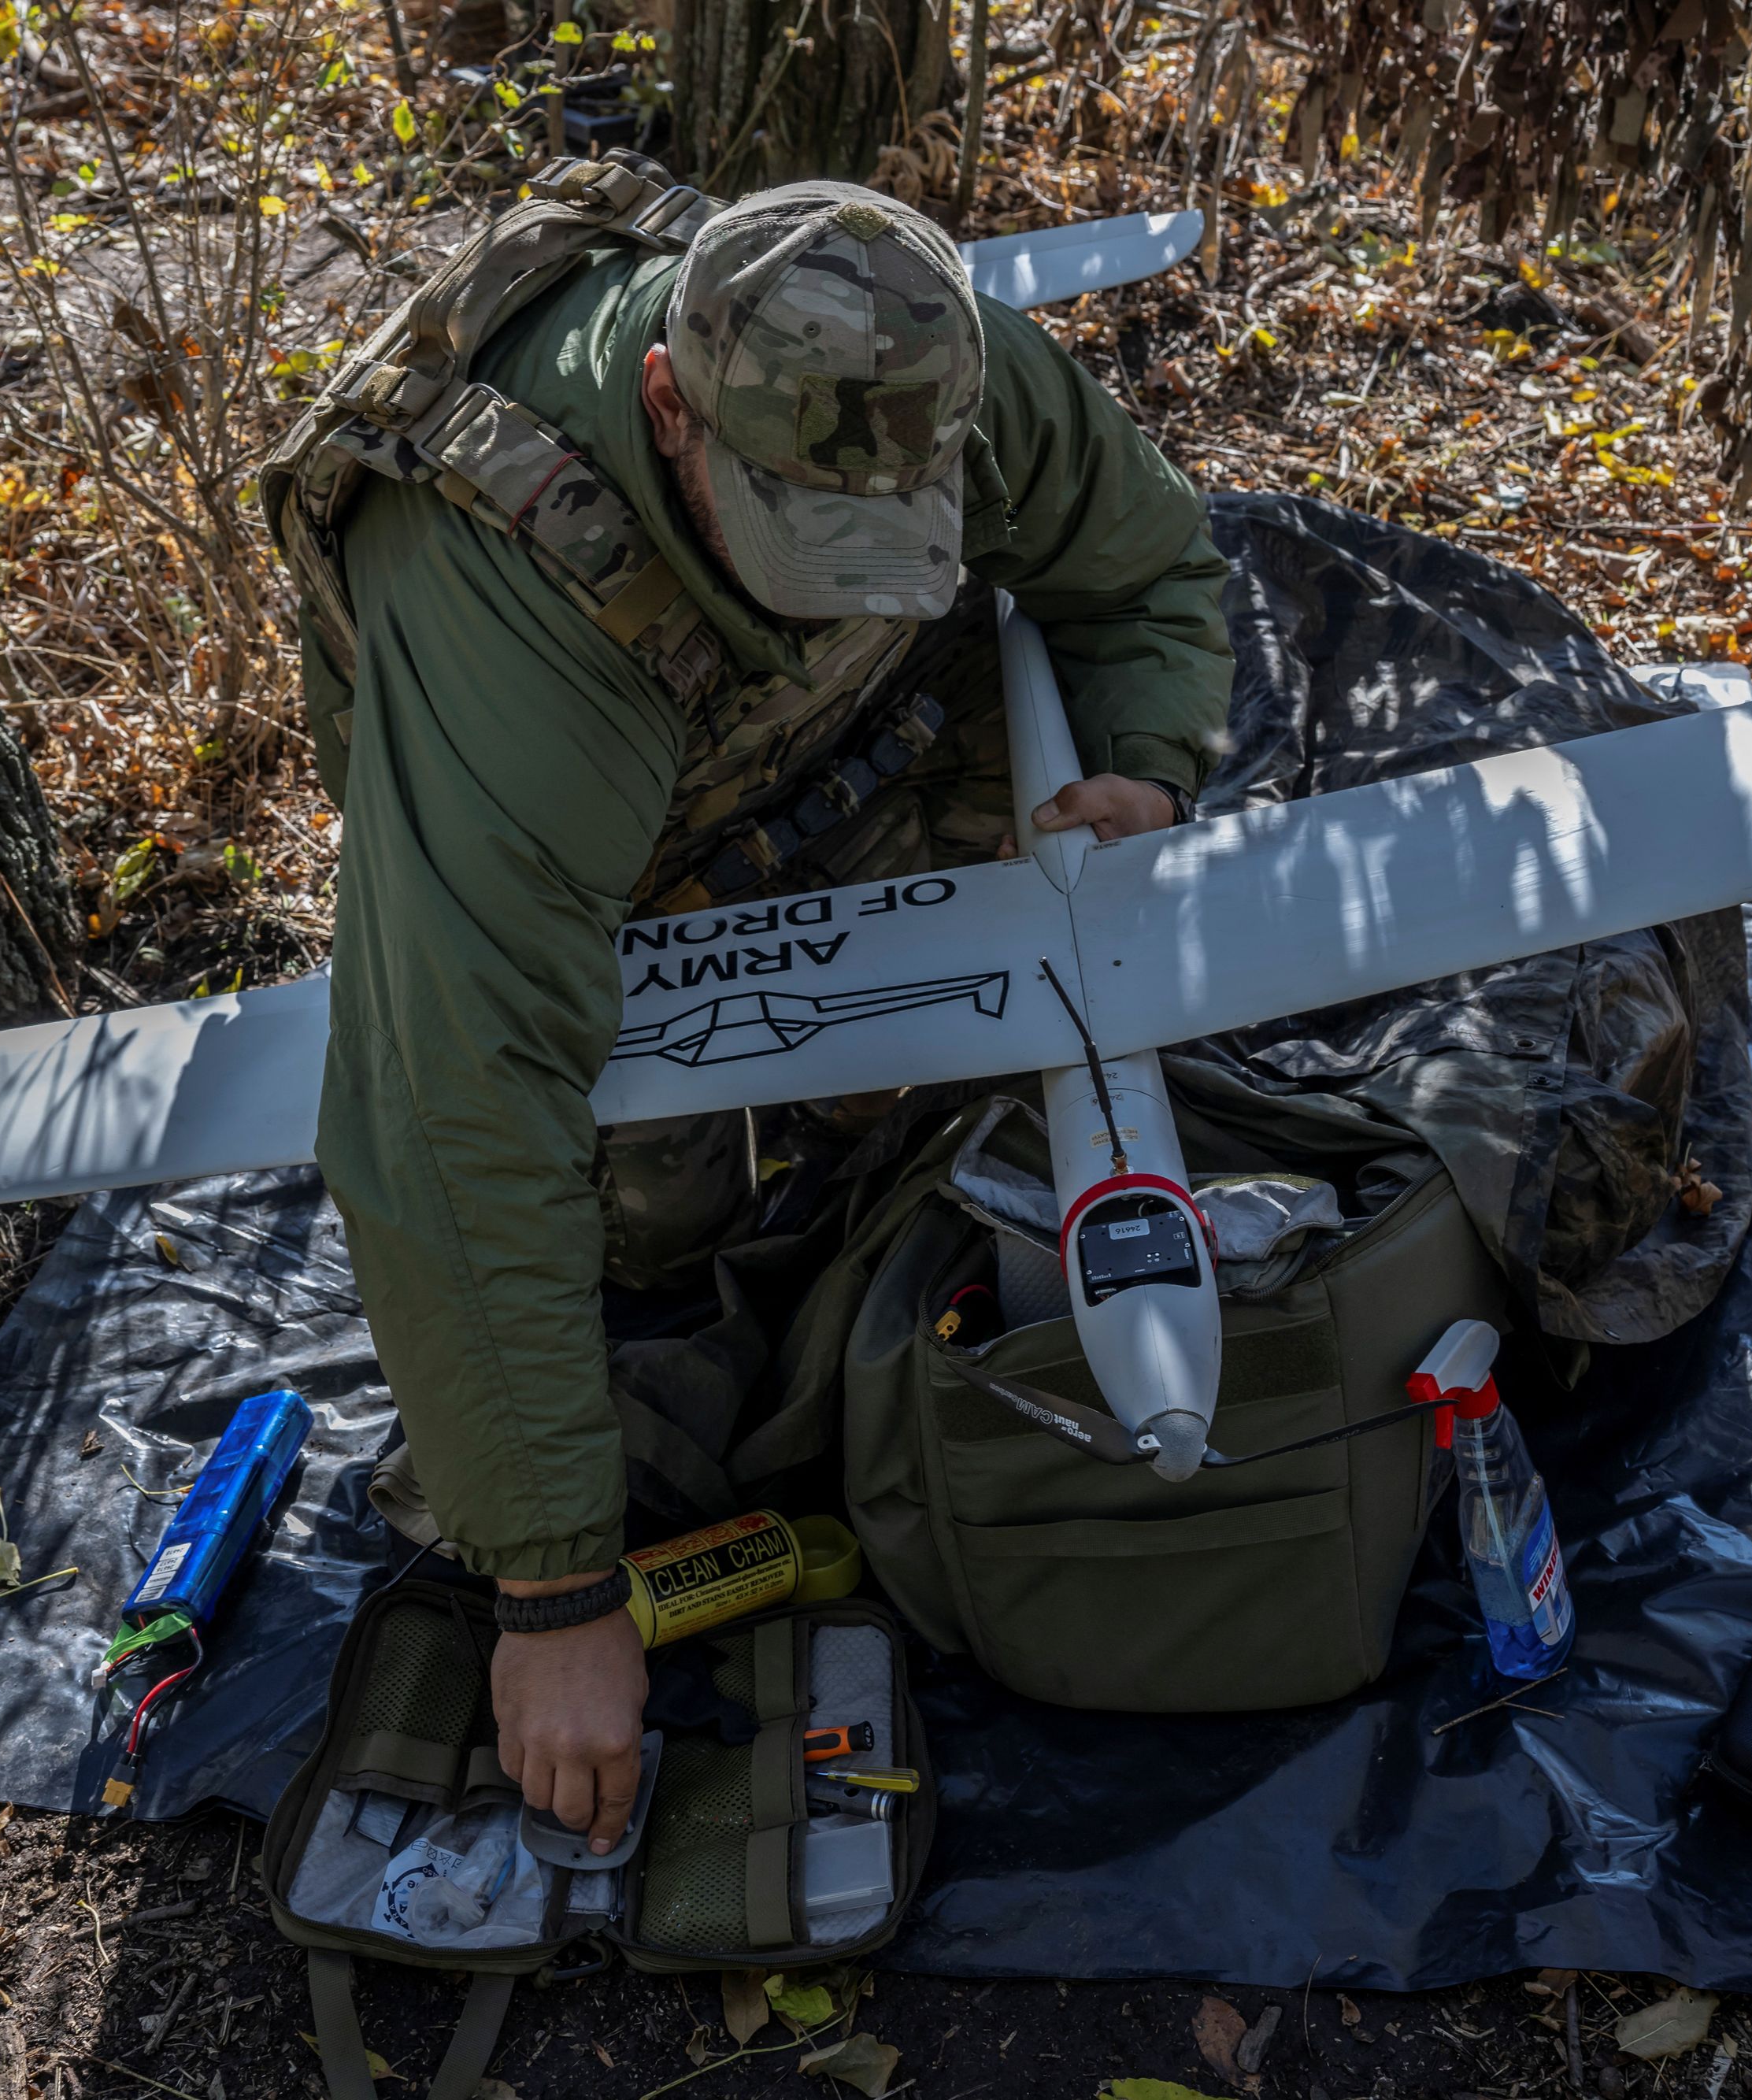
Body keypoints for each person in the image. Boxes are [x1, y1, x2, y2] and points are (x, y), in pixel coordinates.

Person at [296, 175, 1233, 1854]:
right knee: (646, 1220)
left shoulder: (945, 363)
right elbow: (452, 1098)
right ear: (670, 405)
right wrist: (555, 1585)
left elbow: (1146, 565)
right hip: (612, 808)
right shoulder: (505, 610)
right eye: (810, 524)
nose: (859, 562)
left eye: (905, 513)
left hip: (843, 726)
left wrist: (1145, 763)